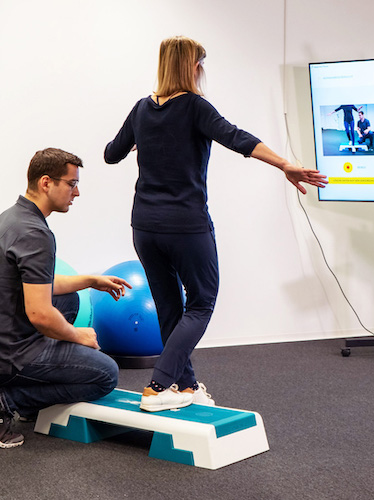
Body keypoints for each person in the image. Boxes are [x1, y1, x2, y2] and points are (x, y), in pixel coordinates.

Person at [104, 35, 328, 413]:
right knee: (202, 303)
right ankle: (158, 387)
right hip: (186, 224)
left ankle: (186, 386)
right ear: (193, 67)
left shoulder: (141, 109)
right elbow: (236, 138)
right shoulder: (194, 106)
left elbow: (111, 154)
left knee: (170, 308)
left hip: (144, 225)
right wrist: (285, 164)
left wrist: (145, 141)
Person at [0, 148, 132, 449]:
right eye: (71, 184)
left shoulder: (12, 218)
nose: (77, 192)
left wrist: (89, 280)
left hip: (5, 334)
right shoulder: (34, 233)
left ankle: (25, 389)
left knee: (70, 301)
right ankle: (7, 400)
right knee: (105, 374)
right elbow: (40, 315)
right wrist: (78, 336)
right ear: (47, 183)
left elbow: (38, 284)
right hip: (10, 353)